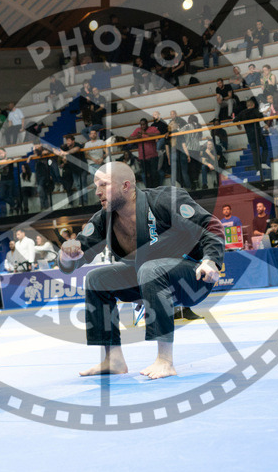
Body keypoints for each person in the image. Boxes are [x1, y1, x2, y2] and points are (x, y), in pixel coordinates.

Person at [59, 162, 223, 379]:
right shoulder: (103, 219)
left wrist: (211, 260)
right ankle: (113, 360)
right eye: (96, 186)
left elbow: (212, 226)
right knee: (96, 279)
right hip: (146, 276)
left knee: (149, 268)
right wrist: (67, 255)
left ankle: (165, 360)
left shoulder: (164, 200)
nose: (97, 192)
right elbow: (73, 262)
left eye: (104, 185)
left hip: (192, 276)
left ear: (126, 186)